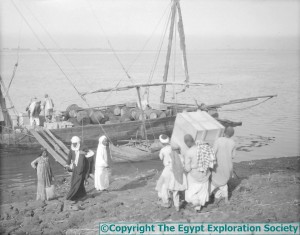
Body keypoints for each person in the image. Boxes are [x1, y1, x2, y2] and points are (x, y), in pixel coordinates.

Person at [184, 134, 215, 212]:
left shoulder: (189, 152)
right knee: (202, 191)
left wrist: (186, 167)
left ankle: (195, 202)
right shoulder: (204, 147)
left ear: (187, 142)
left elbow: (187, 169)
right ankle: (198, 208)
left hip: (194, 176)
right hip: (205, 174)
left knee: (190, 190)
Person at [155, 135, 187, 211]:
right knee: (175, 184)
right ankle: (180, 199)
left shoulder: (163, 150)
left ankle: (166, 201)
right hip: (176, 169)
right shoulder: (174, 149)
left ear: (161, 142)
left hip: (168, 168)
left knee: (162, 184)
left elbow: (161, 158)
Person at [210, 126, 236, 203]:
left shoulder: (218, 140)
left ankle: (210, 196)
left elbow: (213, 153)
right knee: (224, 183)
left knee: (214, 182)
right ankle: (226, 199)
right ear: (232, 135)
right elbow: (233, 156)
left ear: (224, 133)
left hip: (217, 166)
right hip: (228, 167)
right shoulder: (233, 142)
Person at [65, 136, 87, 201]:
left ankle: (74, 195)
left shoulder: (82, 147)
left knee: (78, 181)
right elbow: (69, 156)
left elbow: (88, 154)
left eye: (75, 143)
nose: (74, 144)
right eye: (73, 143)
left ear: (78, 143)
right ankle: (80, 194)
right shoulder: (72, 148)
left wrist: (83, 153)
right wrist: (67, 165)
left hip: (81, 167)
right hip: (75, 167)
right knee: (76, 181)